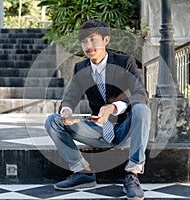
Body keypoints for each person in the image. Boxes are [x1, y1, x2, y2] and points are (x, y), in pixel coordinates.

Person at [45, 19, 151, 200]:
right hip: (98, 130)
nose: (88, 46)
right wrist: (67, 112)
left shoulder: (125, 62)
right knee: (53, 120)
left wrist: (113, 107)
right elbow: (70, 98)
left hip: (125, 128)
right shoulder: (81, 68)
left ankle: (132, 174)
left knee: (142, 109)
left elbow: (141, 94)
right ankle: (83, 173)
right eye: (84, 41)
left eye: (93, 39)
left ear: (106, 40)